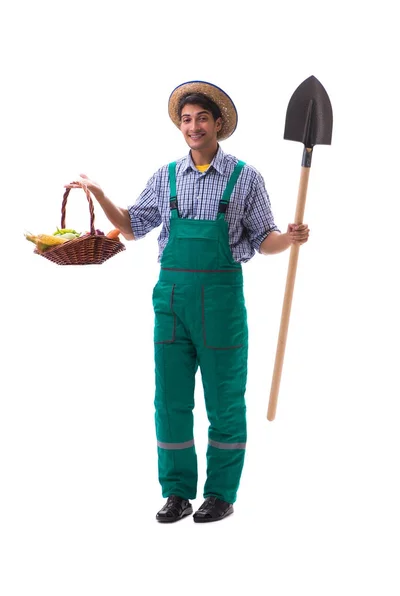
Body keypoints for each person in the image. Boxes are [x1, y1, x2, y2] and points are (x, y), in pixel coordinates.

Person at [65, 80, 309, 524]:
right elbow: (134, 226)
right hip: (172, 302)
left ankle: (220, 493)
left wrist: (288, 240)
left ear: (218, 124)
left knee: (226, 400)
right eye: (186, 119)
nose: (192, 126)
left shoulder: (245, 178)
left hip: (221, 305)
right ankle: (177, 492)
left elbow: (264, 239)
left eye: (201, 118)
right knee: (171, 399)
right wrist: (100, 196)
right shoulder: (166, 176)